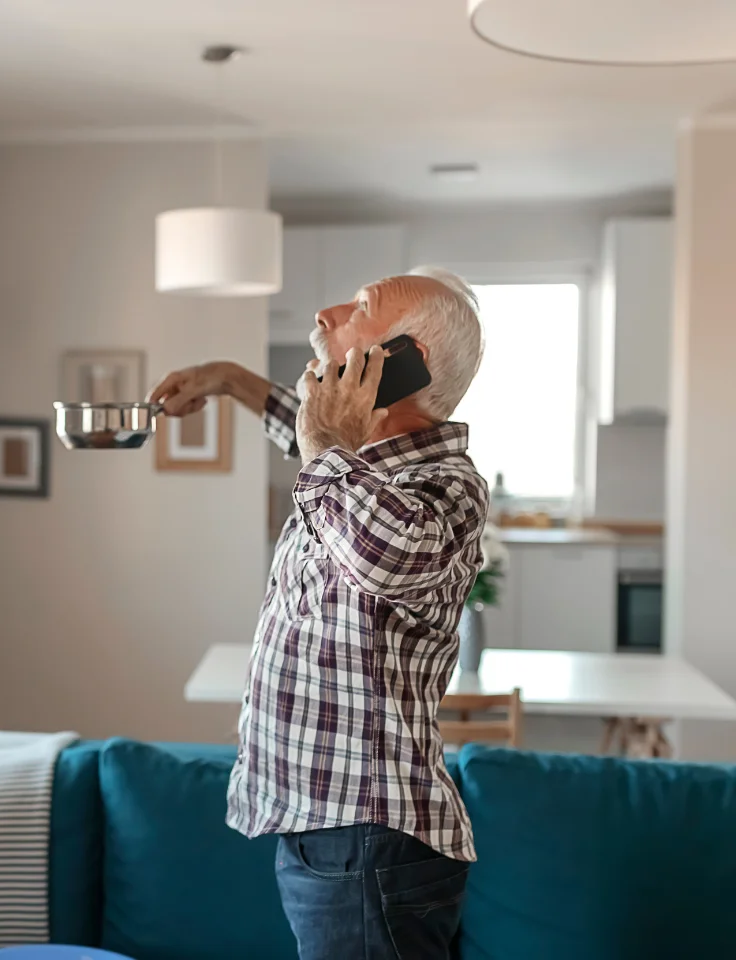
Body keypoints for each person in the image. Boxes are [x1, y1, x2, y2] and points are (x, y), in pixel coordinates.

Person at [150, 267, 487, 960]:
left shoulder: (444, 486)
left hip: (370, 842)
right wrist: (228, 379)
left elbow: (380, 548)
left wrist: (326, 445)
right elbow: (319, 449)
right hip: (336, 833)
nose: (326, 313)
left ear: (403, 366)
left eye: (361, 308)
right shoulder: (356, 469)